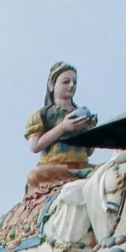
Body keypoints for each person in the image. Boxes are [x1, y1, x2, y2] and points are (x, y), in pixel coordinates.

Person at [23, 61, 98, 199]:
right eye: (66, 82)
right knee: (35, 175)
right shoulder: (42, 115)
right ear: (52, 85)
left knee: (108, 171)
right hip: (55, 168)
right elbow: (35, 146)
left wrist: (89, 131)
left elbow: (88, 151)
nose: (71, 86)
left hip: (82, 166)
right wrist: (63, 127)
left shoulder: (80, 113)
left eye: (74, 82)